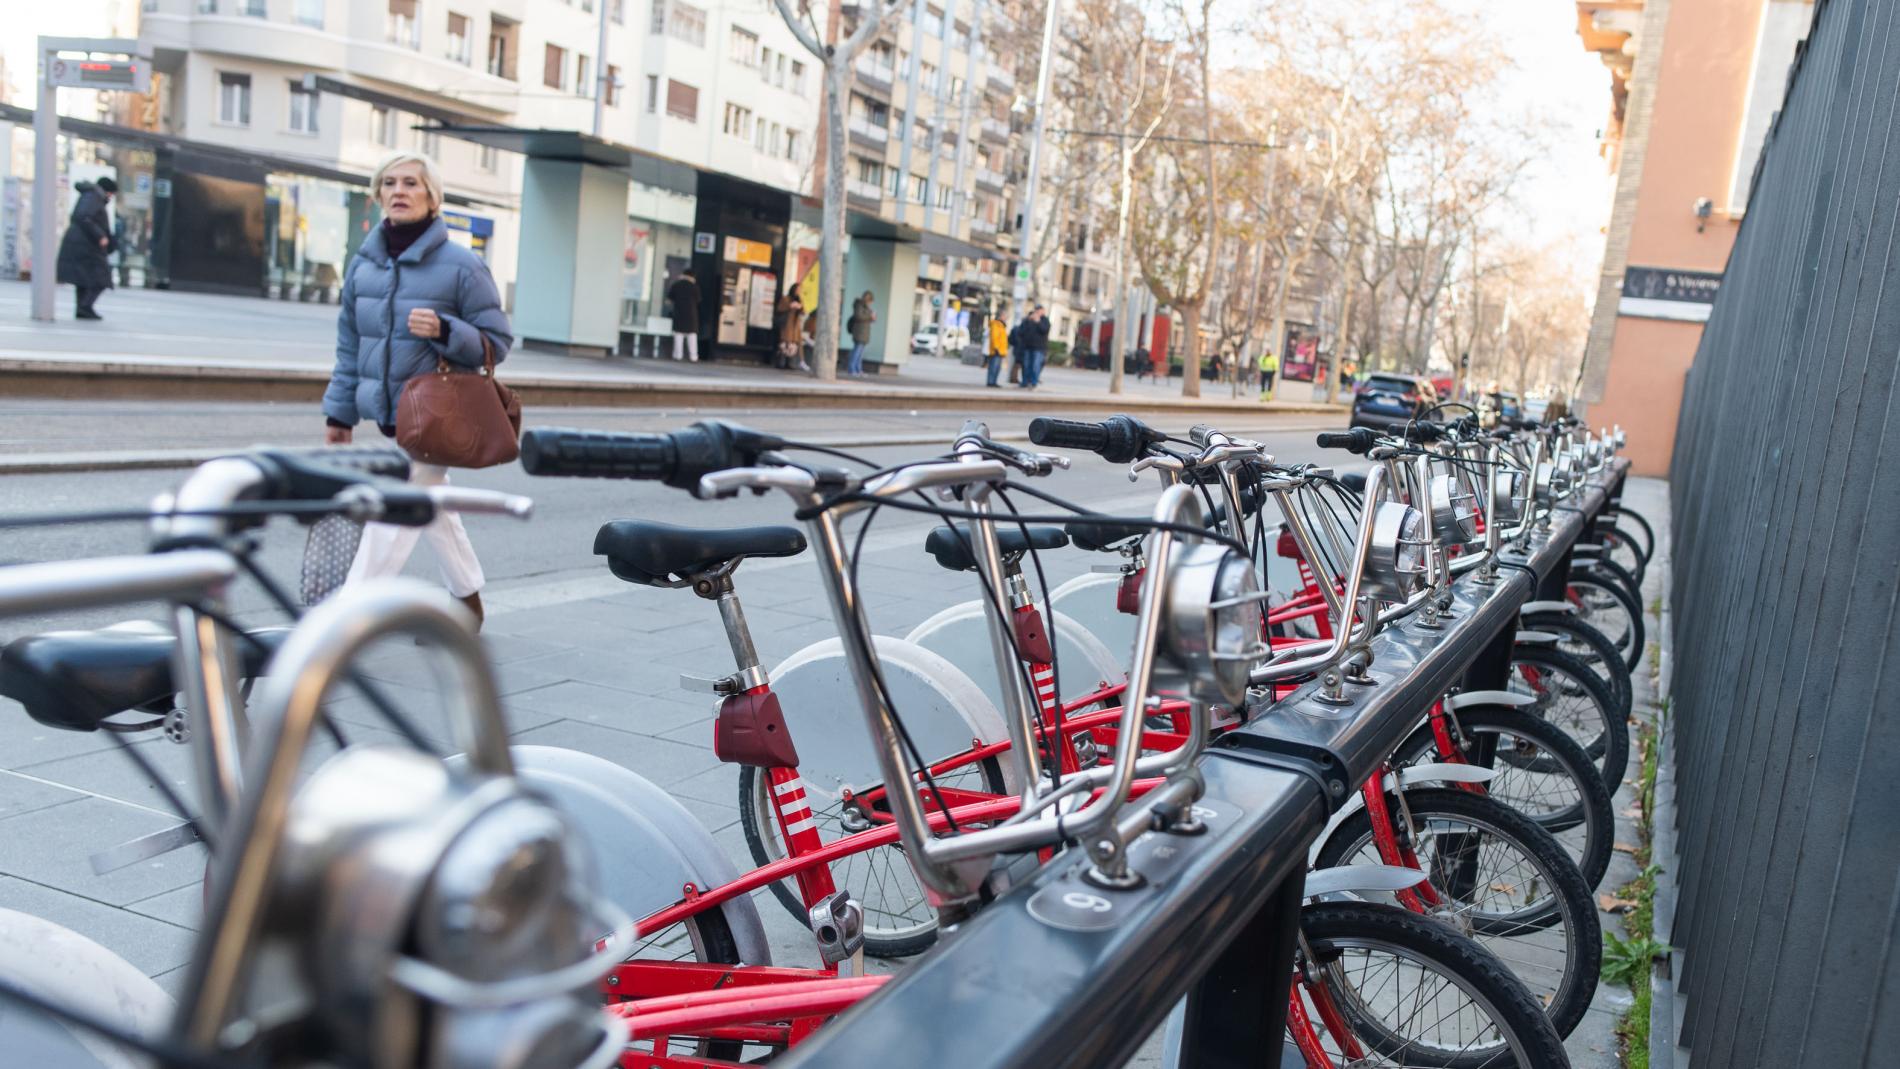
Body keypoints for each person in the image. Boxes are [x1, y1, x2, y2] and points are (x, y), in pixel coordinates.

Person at [322, 151, 512, 629]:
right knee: (433, 507)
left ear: (432, 196)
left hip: (436, 417)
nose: (399, 191)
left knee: (397, 508)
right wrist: (339, 414)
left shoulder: (462, 265)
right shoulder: (364, 266)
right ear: (378, 195)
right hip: (388, 413)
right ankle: (467, 598)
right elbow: (348, 345)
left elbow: (498, 343)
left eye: (411, 183)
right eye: (389, 183)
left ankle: (347, 617)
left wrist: (447, 330)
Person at [56, 177, 117, 321]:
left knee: (85, 278)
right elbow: (83, 217)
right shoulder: (93, 196)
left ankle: (83, 308)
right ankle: (84, 306)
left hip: (83, 244)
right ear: (107, 191)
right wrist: (100, 236)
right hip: (85, 245)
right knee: (101, 277)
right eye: (112, 193)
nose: (111, 197)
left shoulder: (91, 196)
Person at [668, 269, 700, 361]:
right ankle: (693, 356)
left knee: (678, 334)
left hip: (678, 312)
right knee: (692, 335)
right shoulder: (694, 287)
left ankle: (678, 355)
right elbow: (698, 300)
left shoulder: (676, 285)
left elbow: (670, 299)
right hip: (691, 314)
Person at [1016, 305, 1051, 389]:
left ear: (1043, 311)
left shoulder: (1045, 320)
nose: (1037, 312)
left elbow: (1044, 330)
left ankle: (1033, 382)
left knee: (1035, 365)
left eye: (1039, 310)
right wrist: (1028, 321)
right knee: (1026, 365)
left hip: (1039, 348)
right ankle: (1025, 382)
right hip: (1027, 347)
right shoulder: (1028, 320)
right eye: (1036, 310)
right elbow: (1020, 332)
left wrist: (1038, 322)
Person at [776, 294, 810, 372]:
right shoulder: (786, 299)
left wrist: (800, 306)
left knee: (793, 344)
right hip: (786, 324)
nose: (799, 292)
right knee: (784, 343)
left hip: (795, 326)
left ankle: (789, 362)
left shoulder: (800, 300)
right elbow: (780, 308)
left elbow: (804, 311)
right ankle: (781, 362)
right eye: (797, 290)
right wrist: (790, 306)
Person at [846, 290, 876, 377]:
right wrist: (870, 317)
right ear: (867, 299)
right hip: (859, 332)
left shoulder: (865, 307)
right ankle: (852, 369)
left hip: (864, 332)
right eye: (870, 301)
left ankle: (858, 369)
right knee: (857, 351)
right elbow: (858, 316)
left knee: (860, 353)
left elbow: (865, 317)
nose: (870, 303)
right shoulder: (859, 305)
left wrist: (872, 318)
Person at [985, 313, 1009, 387]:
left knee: (997, 367)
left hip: (1001, 350)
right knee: (993, 366)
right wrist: (996, 348)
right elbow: (994, 337)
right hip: (997, 350)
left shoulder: (1002, 325)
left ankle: (993, 381)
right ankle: (991, 382)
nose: (1006, 318)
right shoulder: (996, 324)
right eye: (1005, 316)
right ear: (1001, 316)